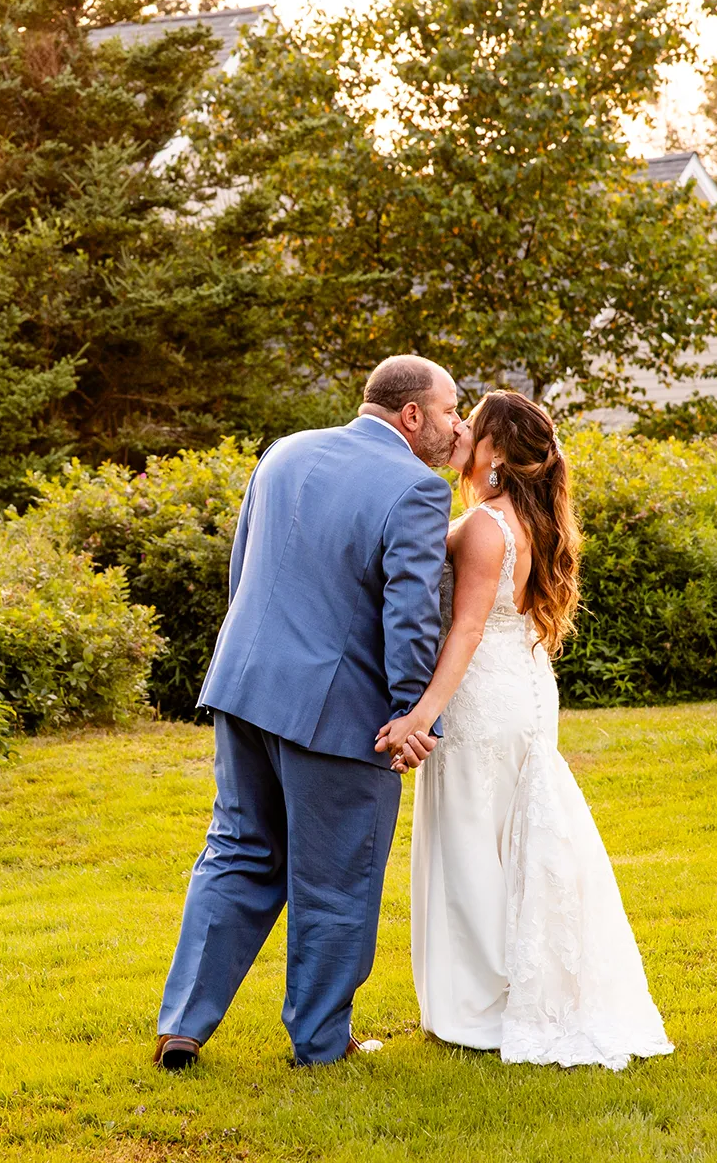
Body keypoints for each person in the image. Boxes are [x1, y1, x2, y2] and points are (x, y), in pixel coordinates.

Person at [153, 355, 460, 1069]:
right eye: (449, 410)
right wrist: (411, 715)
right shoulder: (417, 487)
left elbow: (244, 569)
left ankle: (182, 1025)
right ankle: (321, 1043)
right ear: (411, 415)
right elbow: (410, 616)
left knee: (235, 852)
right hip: (338, 710)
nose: (455, 424)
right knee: (337, 876)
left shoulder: (284, 451)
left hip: (244, 684)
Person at [378, 390, 673, 1070]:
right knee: (509, 836)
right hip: (527, 687)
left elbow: (470, 627)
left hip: (484, 695)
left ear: (498, 452)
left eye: (471, 429)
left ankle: (481, 1004)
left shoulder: (485, 524)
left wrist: (421, 715)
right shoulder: (534, 518)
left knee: (475, 842)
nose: (461, 434)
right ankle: (510, 986)